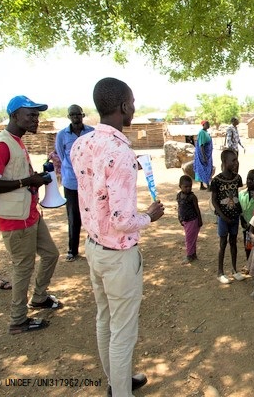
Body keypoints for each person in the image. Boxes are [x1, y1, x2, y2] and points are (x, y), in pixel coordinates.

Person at [71, 77, 164, 397]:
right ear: (124, 106)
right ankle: (120, 392)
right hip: (119, 254)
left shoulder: (80, 144)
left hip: (94, 247)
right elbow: (123, 220)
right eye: (133, 103)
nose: (134, 108)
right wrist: (149, 217)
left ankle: (116, 381)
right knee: (123, 332)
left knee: (105, 319)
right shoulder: (121, 152)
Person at [0, 95, 61, 335]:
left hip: (29, 214)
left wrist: (37, 179)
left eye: (37, 115)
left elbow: (17, 178)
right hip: (14, 220)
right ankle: (18, 320)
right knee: (23, 268)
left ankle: (39, 297)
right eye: (30, 115)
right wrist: (27, 181)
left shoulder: (16, 141)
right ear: (14, 116)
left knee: (51, 254)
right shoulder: (1, 145)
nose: (36, 119)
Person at [55, 104, 94, 262]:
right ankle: (72, 250)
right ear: (69, 117)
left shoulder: (92, 132)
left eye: (78, 114)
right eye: (72, 115)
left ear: (83, 115)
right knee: (73, 217)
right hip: (71, 182)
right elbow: (61, 155)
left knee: (93, 214)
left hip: (91, 182)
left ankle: (94, 246)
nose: (76, 117)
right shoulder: (62, 135)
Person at [211, 149, 245, 284]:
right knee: (223, 243)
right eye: (233, 160)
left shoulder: (237, 178)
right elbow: (214, 200)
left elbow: (237, 195)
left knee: (233, 242)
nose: (236, 163)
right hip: (223, 217)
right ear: (224, 162)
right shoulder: (217, 180)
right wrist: (221, 215)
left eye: (236, 160)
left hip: (234, 216)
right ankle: (220, 272)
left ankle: (234, 269)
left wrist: (239, 212)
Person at [177, 175, 202, 264]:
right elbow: (179, 207)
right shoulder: (179, 195)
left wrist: (200, 220)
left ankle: (189, 256)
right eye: (185, 187)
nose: (188, 189)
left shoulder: (192, 197)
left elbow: (197, 209)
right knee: (191, 239)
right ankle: (193, 255)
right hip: (185, 220)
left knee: (189, 239)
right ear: (180, 186)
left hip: (192, 220)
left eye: (190, 187)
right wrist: (179, 217)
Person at [239, 169, 254, 260]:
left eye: (252, 179)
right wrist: (243, 221)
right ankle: (249, 262)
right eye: (248, 178)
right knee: (247, 246)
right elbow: (240, 210)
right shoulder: (241, 194)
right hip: (246, 225)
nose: (249, 181)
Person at [194, 120, 213, 190]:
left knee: (204, 168)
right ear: (203, 125)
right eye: (207, 124)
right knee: (205, 169)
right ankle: (208, 186)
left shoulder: (206, 132)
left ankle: (202, 185)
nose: (208, 125)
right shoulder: (202, 133)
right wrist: (204, 156)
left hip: (207, 154)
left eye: (209, 123)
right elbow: (201, 145)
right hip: (204, 154)